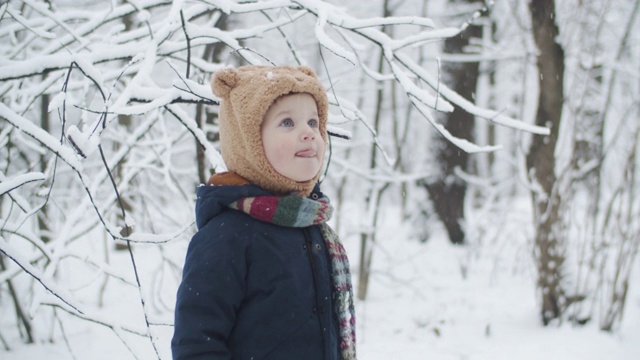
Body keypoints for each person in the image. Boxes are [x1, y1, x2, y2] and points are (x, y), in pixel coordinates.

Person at [171, 65, 356, 360]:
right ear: (248, 141)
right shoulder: (226, 237)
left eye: (313, 121)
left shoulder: (313, 226)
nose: (308, 133)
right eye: (287, 123)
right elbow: (197, 345)